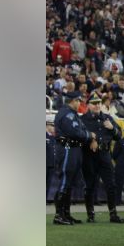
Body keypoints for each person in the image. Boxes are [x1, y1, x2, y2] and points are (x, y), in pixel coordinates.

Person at [79, 94, 124, 224]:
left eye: (99, 103)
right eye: (94, 103)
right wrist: (90, 139)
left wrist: (112, 129)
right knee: (90, 186)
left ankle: (113, 214)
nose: (97, 105)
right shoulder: (82, 119)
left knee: (111, 184)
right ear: (88, 105)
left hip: (105, 155)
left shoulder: (107, 118)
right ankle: (90, 214)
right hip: (89, 155)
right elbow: (77, 135)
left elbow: (119, 135)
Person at [52, 91, 90, 225]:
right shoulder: (66, 113)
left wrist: (86, 134)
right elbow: (76, 132)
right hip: (67, 148)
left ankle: (66, 214)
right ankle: (58, 215)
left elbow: (83, 129)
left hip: (74, 149)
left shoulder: (73, 114)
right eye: (78, 101)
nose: (79, 103)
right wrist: (89, 136)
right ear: (72, 101)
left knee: (69, 183)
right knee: (65, 181)